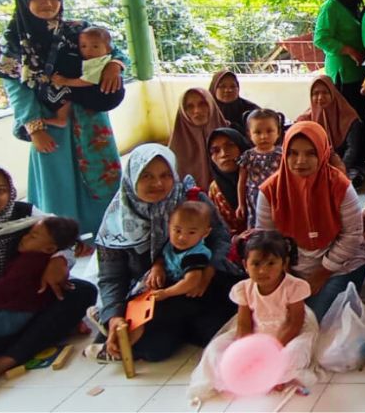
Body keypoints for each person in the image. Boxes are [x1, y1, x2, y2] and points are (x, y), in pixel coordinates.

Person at [0, 0, 124, 232]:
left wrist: (115, 66)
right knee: (58, 179)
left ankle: (109, 231)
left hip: (90, 117)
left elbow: (113, 51)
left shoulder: (77, 30)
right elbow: (16, 90)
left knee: (100, 174)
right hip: (48, 121)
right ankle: (65, 238)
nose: (47, 4)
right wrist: (35, 128)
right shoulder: (12, 42)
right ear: (24, 1)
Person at [0, 162, 94, 390]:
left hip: (17, 304)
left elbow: (61, 234)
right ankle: (37, 336)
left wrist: (60, 259)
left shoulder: (23, 214)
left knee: (82, 291)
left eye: (0, 190)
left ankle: (1, 362)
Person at [96, 145, 237, 363]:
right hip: (154, 296)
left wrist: (208, 271)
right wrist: (114, 317)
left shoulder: (190, 199)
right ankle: (113, 323)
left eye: (165, 175)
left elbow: (221, 237)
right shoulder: (117, 221)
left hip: (199, 282)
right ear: (132, 177)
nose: (158, 183)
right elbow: (111, 277)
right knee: (155, 350)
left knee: (217, 329)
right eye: (147, 176)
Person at [188, 230, 320, 401]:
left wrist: (271, 350)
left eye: (271, 263)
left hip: (287, 335)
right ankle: (243, 376)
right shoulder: (243, 288)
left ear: (284, 263)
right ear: (245, 265)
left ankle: (276, 377)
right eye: (256, 264)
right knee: (215, 349)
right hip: (256, 332)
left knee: (294, 354)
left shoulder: (294, 287)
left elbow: (295, 323)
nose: (263, 270)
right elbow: (243, 324)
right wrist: (247, 352)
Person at [257, 122, 365, 319]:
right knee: (274, 315)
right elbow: (266, 239)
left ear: (322, 153)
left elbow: (352, 236)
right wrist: (285, 272)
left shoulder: (341, 187)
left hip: (339, 267)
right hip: (291, 267)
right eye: (293, 153)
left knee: (313, 318)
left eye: (310, 153)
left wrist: (322, 272)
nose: (301, 161)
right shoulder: (269, 191)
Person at [0, 216, 79, 339]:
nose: (24, 237)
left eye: (32, 236)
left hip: (6, 318)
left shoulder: (28, 264)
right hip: (20, 313)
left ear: (49, 249)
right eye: (28, 234)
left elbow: (3, 290)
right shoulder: (36, 257)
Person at [297, 76, 365, 187]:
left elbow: (352, 149)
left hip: (344, 165)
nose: (320, 97)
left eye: (325, 92)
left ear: (333, 93)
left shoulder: (349, 117)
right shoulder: (305, 119)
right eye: (315, 93)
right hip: (317, 166)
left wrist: (339, 169)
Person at [313, 0, 365, 112]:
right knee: (349, 119)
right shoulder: (330, 7)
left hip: (359, 72)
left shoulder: (353, 5)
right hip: (343, 76)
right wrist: (350, 51)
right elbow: (321, 39)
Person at [44, 26, 126, 121]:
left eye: (95, 46)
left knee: (66, 91)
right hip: (106, 96)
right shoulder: (101, 58)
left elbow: (87, 81)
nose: (88, 50)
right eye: (83, 46)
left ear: (108, 49)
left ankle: (61, 118)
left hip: (105, 97)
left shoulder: (96, 62)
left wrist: (65, 81)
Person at [147, 201, 215, 303]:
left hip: (188, 292)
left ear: (205, 233)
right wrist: (157, 267)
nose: (182, 237)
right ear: (169, 226)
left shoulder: (196, 254)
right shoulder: (170, 244)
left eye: (191, 232)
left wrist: (166, 293)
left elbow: (191, 281)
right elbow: (162, 257)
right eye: (177, 230)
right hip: (172, 285)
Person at [168, 88, 228, 191]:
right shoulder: (174, 149)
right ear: (183, 111)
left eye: (202, 104)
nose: (197, 111)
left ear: (211, 105)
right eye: (189, 106)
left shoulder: (231, 137)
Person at [238, 109, 283, 229]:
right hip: (254, 198)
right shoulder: (248, 156)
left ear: (278, 132)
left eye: (269, 131)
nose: (264, 137)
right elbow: (242, 182)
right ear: (249, 134)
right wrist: (241, 204)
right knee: (257, 226)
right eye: (257, 132)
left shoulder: (282, 154)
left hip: (278, 196)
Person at [204, 128, 248, 237]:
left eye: (230, 145)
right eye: (215, 150)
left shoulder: (261, 179)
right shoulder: (215, 189)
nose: (224, 154)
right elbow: (217, 230)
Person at [208, 70, 259, 135]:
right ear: (214, 88)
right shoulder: (206, 110)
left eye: (233, 86)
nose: (228, 90)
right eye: (222, 86)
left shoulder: (251, 110)